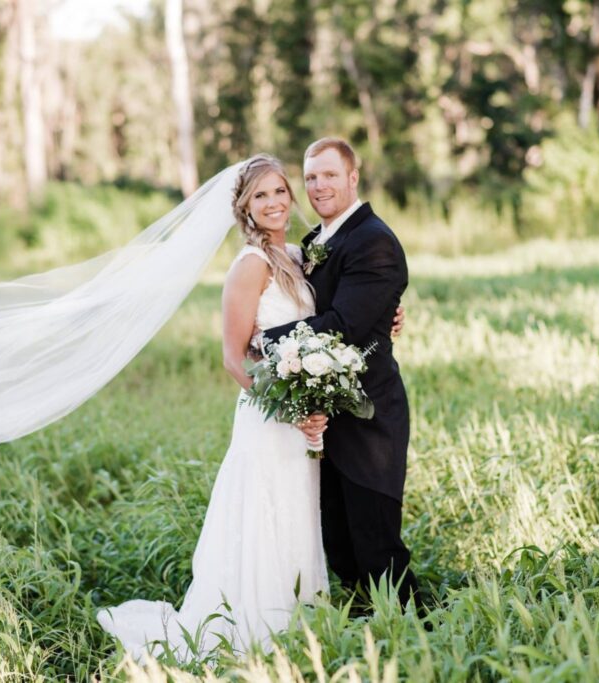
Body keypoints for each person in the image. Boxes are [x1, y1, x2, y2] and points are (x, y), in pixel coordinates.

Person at [96, 154, 331, 660]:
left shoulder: (297, 255)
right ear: (245, 207)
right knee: (263, 513)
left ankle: (301, 622)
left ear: (291, 197)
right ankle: (254, 627)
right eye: (260, 195)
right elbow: (232, 358)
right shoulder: (251, 266)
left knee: (297, 511)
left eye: (279, 191)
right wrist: (286, 408)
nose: (273, 202)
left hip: (302, 421)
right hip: (267, 418)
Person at [259, 138, 422, 616]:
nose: (318, 185)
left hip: (369, 416)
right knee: (340, 540)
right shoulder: (316, 242)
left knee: (376, 545)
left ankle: (418, 630)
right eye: (310, 177)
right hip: (325, 412)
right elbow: (329, 304)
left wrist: (262, 336)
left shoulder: (373, 240)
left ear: (353, 177)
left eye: (329, 175)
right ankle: (364, 630)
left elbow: (346, 325)